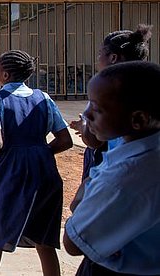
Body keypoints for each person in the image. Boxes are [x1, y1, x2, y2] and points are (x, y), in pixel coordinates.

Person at [0, 50, 73, 276]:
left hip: (11, 172)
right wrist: (38, 152)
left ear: (6, 74)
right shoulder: (44, 98)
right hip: (44, 169)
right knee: (45, 239)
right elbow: (65, 140)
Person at [64, 61, 160, 276]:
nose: (86, 115)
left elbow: (72, 243)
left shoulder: (123, 178)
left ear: (138, 119)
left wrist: (86, 189)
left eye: (97, 109)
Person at [69, 25, 152, 181]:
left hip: (115, 170)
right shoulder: (149, 84)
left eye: (100, 54)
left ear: (113, 58)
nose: (97, 60)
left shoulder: (105, 90)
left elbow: (94, 141)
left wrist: (84, 126)